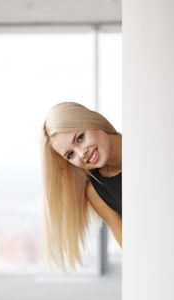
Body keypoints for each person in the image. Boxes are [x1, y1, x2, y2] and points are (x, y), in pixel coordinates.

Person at [42, 101, 122, 271]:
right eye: (70, 155)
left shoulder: (147, 143)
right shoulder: (96, 191)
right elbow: (131, 247)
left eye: (80, 138)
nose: (81, 154)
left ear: (92, 120)